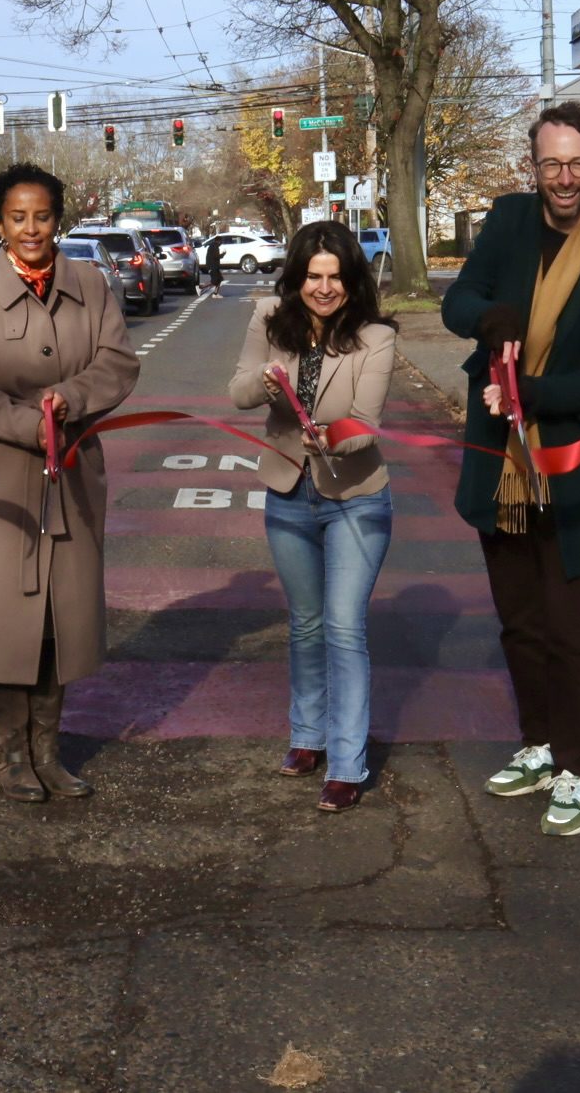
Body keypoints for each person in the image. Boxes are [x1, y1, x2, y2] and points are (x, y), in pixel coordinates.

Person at [441, 101, 580, 838]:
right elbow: (457, 300)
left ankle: (579, 767)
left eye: (577, 163)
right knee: (517, 620)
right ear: (533, 166)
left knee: (566, 625)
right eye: (550, 164)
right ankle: (536, 744)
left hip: (560, 460)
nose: (563, 178)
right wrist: (489, 320)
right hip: (495, 458)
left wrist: (526, 391)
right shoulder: (506, 221)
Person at [0, 162, 141, 802]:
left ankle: (50, 752)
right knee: (4, 622)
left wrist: (69, 401)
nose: (31, 229)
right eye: (17, 217)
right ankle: (10, 754)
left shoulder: (90, 286)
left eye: (42, 216)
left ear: (58, 220)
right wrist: (26, 425)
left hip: (69, 474)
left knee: (58, 622)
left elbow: (118, 362)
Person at [229, 222, 398, 812]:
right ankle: (307, 736)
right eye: (312, 277)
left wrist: (326, 437)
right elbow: (238, 392)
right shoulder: (269, 318)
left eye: (335, 278)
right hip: (286, 491)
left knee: (344, 628)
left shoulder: (374, 336)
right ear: (297, 276)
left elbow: (365, 422)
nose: (323, 289)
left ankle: (348, 764)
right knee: (305, 623)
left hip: (355, 495)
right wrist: (269, 383)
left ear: (351, 282)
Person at [204, 231, 226, 296]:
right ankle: (201, 287)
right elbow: (216, 256)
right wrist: (223, 254)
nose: (221, 243)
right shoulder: (214, 246)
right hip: (212, 266)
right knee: (214, 281)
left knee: (219, 279)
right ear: (218, 241)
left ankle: (215, 293)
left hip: (214, 266)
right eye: (221, 241)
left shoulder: (214, 246)